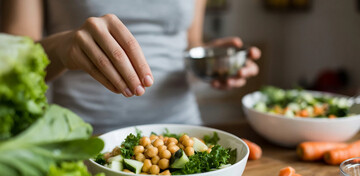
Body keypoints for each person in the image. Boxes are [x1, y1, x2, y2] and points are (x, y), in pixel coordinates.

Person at [1, 0, 261, 134]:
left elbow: (189, 43)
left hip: (182, 131)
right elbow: (11, 66)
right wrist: (61, 47)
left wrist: (212, 62)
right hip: (84, 137)